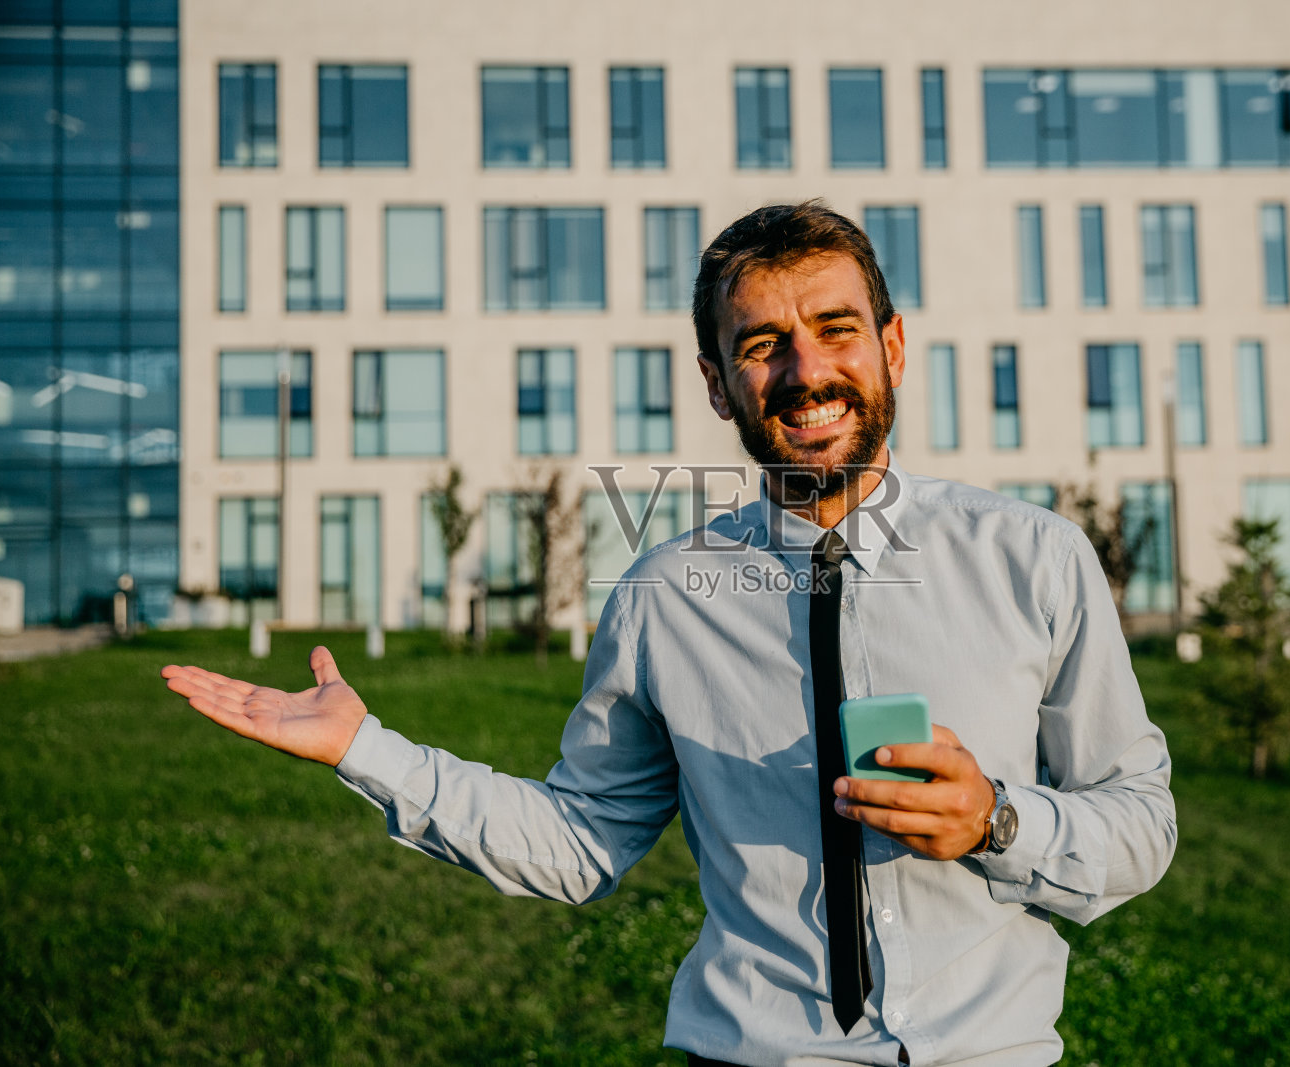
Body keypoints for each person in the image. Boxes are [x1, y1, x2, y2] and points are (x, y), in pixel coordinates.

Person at [162, 201, 1176, 1066]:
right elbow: (579, 839)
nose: (804, 372)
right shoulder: (661, 597)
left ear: (892, 345)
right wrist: (364, 747)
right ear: (714, 382)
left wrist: (997, 820)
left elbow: (1138, 820)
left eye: (835, 329)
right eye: (761, 344)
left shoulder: (1034, 558)